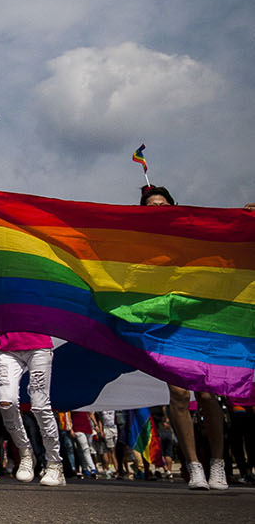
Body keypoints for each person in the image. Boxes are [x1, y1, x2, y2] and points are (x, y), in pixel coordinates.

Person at [140, 185, 228, 490]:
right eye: (151, 206)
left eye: (162, 204)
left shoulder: (192, 235)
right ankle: (194, 466)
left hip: (198, 321)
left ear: (173, 206)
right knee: (178, 394)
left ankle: (218, 463)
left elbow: (222, 239)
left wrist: (246, 219)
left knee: (207, 394)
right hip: (166, 324)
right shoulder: (138, 243)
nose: (157, 209)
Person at [0, 331, 63, 485]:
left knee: (40, 407)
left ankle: (54, 464)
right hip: (7, 346)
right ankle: (25, 452)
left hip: (39, 344)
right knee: (6, 403)